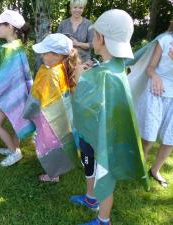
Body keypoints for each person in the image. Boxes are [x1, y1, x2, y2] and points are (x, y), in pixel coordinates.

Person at [70, 9, 149, 225]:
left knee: (104, 173)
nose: (92, 37)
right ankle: (90, 198)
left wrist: (78, 76)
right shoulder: (114, 67)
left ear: (101, 38)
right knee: (90, 164)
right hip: (97, 134)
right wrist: (90, 73)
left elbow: (80, 103)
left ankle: (103, 220)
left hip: (101, 138)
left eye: (94, 34)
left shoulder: (103, 74)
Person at [23, 33, 81, 182]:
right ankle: (62, 164)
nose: (42, 56)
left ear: (57, 55)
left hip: (50, 114)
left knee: (50, 141)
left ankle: (53, 174)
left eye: (45, 53)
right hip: (63, 114)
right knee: (60, 139)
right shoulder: (62, 67)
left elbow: (46, 97)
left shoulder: (52, 73)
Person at [128, 21, 173, 188]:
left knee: (170, 138)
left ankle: (155, 170)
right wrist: (154, 76)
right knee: (148, 135)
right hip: (156, 92)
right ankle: (140, 166)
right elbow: (150, 68)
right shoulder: (165, 40)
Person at [0, 10, 35, 167]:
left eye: (0, 24)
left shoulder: (10, 49)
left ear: (10, 27)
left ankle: (15, 152)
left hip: (9, 93)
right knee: (16, 123)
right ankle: (14, 147)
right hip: (16, 92)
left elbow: (3, 77)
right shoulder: (16, 46)